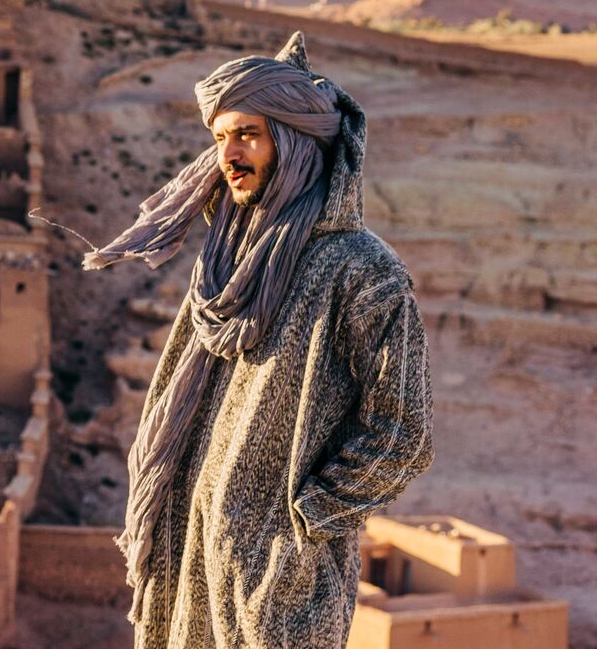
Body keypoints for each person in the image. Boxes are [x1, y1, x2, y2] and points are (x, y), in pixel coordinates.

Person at [84, 32, 432, 649]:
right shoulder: (228, 264)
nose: (229, 154)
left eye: (247, 134)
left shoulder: (362, 271)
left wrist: (297, 527)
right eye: (220, 137)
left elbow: (402, 433)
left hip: (277, 593)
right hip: (188, 565)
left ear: (295, 141)